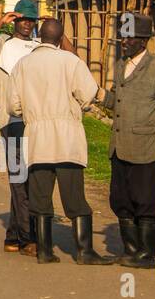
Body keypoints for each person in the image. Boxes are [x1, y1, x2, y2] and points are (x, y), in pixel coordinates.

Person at [7, 19, 111, 265]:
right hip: (67, 140)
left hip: (37, 141)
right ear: (61, 37)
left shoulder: (23, 65)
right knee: (74, 197)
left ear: (39, 36)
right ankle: (84, 251)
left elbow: (14, 106)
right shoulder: (71, 61)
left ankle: (44, 251)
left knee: (40, 197)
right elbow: (88, 96)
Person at [96, 14, 155, 268]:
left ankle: (146, 254)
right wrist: (98, 94)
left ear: (143, 40)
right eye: (123, 37)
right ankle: (130, 249)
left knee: (145, 201)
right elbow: (116, 101)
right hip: (120, 145)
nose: (125, 42)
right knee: (120, 199)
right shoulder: (122, 65)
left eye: (130, 37)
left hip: (145, 148)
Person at [0, 0, 42, 254]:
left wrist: (56, 28)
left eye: (32, 20)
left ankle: (13, 236)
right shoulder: (4, 43)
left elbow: (70, 58)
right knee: (19, 179)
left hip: (36, 121)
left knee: (29, 180)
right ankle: (28, 238)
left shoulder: (39, 46)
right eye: (23, 19)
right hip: (11, 121)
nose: (27, 24)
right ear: (15, 21)